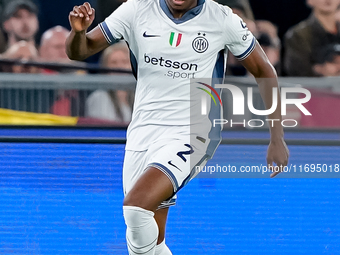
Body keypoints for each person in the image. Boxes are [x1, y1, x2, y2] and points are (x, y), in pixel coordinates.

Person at [66, 1, 289, 254]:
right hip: (143, 130)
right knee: (149, 241)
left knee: (136, 209)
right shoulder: (136, 10)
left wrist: (276, 136)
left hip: (193, 130)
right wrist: (78, 32)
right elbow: (78, 52)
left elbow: (264, 71)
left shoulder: (222, 19)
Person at [284, 0, 340, 76]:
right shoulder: (298, 35)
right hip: (314, 86)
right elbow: (297, 70)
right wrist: (320, 71)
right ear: (309, 1)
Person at [85, 42, 133, 123]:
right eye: (114, 63)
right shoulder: (98, 98)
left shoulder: (140, 96)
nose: (119, 67)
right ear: (106, 68)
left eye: (124, 62)